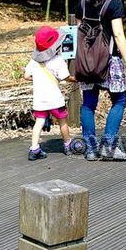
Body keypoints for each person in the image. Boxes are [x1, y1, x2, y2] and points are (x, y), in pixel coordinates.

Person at [73, 0, 126, 161]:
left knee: (89, 103)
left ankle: (90, 149)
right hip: (109, 61)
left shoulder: (82, 3)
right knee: (120, 99)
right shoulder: (114, 4)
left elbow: (80, 35)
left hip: (87, 62)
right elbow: (118, 34)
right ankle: (108, 145)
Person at [23, 25, 76, 159]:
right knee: (62, 121)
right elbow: (66, 77)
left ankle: (34, 149)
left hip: (39, 100)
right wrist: (76, 79)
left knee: (39, 122)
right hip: (55, 99)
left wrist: (37, 78)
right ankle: (68, 145)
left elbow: (26, 76)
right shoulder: (58, 60)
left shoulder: (33, 61)